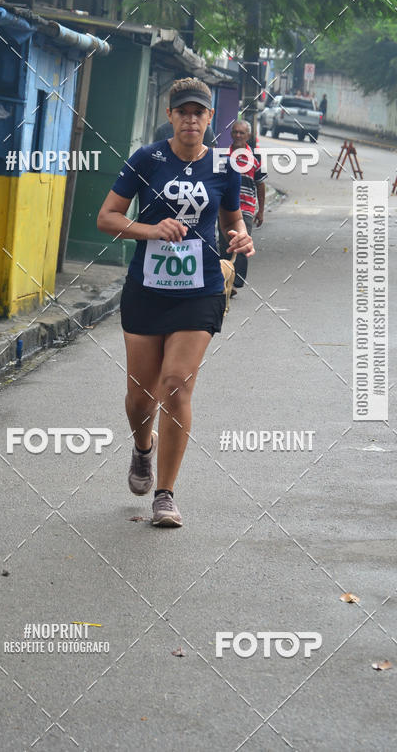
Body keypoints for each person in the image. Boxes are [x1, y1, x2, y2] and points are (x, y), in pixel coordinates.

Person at [97, 77, 254, 527]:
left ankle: (165, 494)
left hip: (200, 290)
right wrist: (151, 229)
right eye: (182, 112)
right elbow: (107, 217)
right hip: (146, 290)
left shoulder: (224, 166)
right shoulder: (147, 159)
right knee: (140, 397)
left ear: (210, 118)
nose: (190, 119)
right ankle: (142, 447)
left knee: (175, 385)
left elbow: (233, 219)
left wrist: (240, 237)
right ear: (170, 116)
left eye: (198, 112)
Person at [218, 119, 266, 290]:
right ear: (231, 134)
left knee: (242, 244)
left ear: (248, 136)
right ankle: (224, 280)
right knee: (225, 244)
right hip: (225, 208)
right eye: (235, 132)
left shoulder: (256, 157)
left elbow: (260, 184)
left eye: (242, 133)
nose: (238, 135)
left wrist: (261, 211)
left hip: (246, 209)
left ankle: (235, 283)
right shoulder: (222, 155)